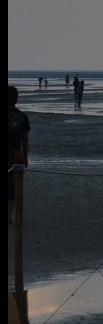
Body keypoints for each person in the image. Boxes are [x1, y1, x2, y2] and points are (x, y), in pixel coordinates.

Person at [8, 86, 30, 224]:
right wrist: (25, 157)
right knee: (12, 188)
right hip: (15, 157)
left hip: (14, 158)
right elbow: (25, 140)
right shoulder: (22, 116)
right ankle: (9, 216)